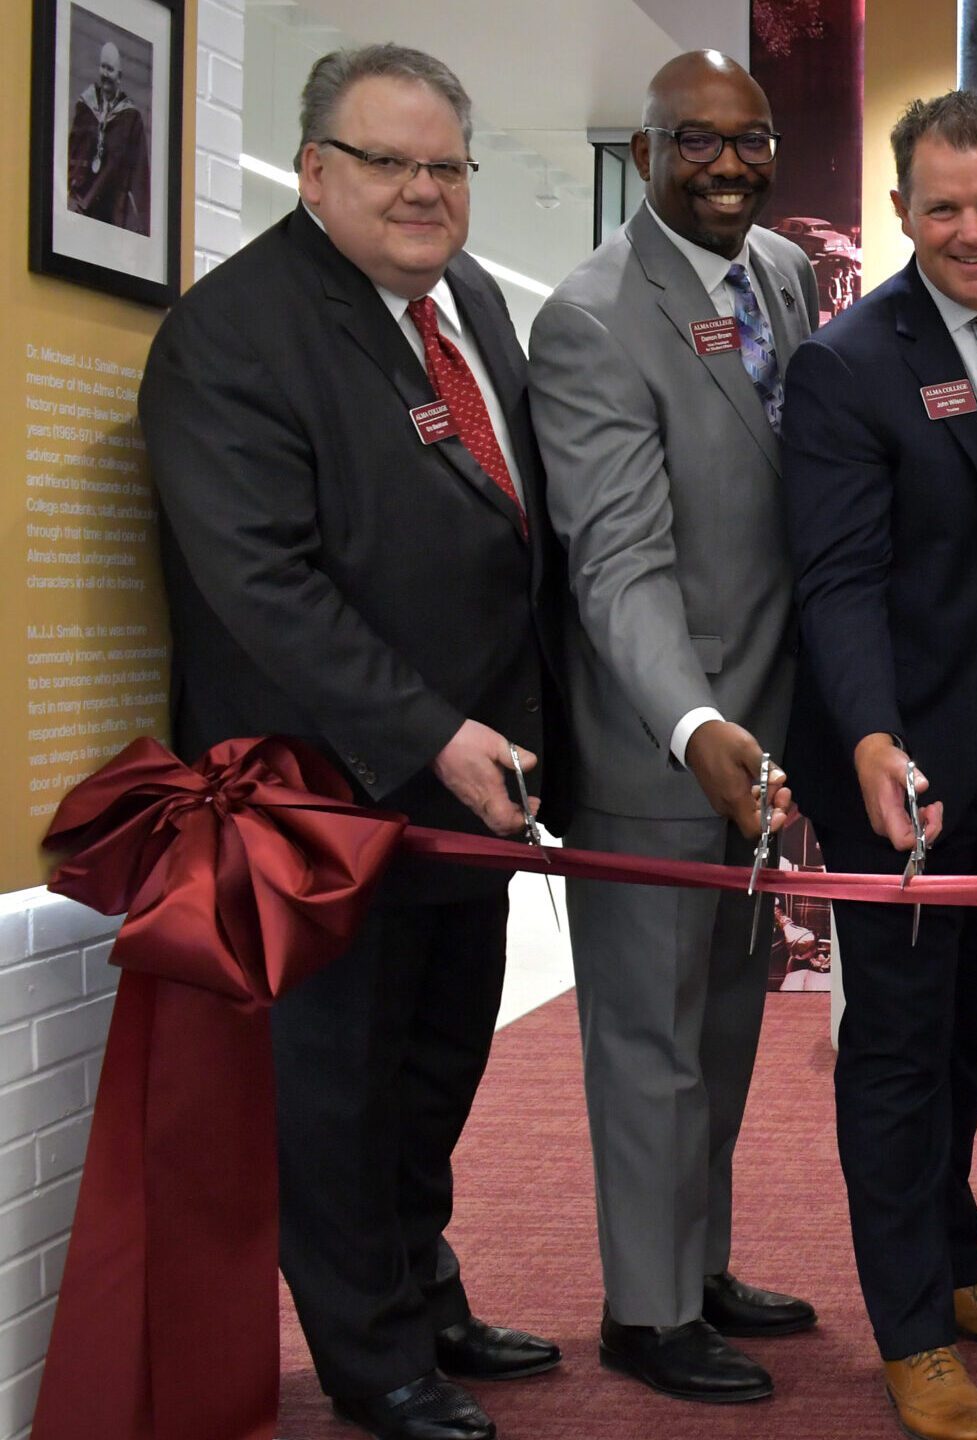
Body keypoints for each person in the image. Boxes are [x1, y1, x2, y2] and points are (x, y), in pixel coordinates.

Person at [139, 44, 567, 1440]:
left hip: (469, 793)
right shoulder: (233, 334)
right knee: (336, 1092)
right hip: (322, 795)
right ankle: (372, 1359)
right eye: (389, 163)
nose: (423, 190)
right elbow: (263, 588)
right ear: (315, 171)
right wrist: (433, 734)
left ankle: (423, 1290)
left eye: (446, 165)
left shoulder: (472, 302)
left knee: (437, 1068)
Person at [779, 90, 977, 1440]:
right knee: (899, 1053)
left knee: (964, 1042)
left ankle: (957, 1270)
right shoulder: (848, 363)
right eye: (944, 207)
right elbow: (838, 580)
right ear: (903, 210)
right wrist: (870, 739)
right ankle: (911, 1332)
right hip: (900, 774)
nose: (972, 230)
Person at [526, 48, 821, 1406]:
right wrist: (696, 723)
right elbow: (620, 565)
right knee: (649, 1045)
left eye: (750, 138)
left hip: (763, 751)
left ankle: (696, 1267)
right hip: (660, 751)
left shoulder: (782, 276)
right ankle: (646, 1313)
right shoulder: (591, 319)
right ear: (644, 153)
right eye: (695, 140)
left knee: (724, 1032)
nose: (728, 164)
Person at [67, 39, 150, 231]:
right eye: (103, 67)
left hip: (112, 213)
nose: (105, 74)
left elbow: (140, 175)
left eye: (110, 69)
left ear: (119, 76)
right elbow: (72, 152)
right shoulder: (86, 106)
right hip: (81, 204)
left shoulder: (131, 118)